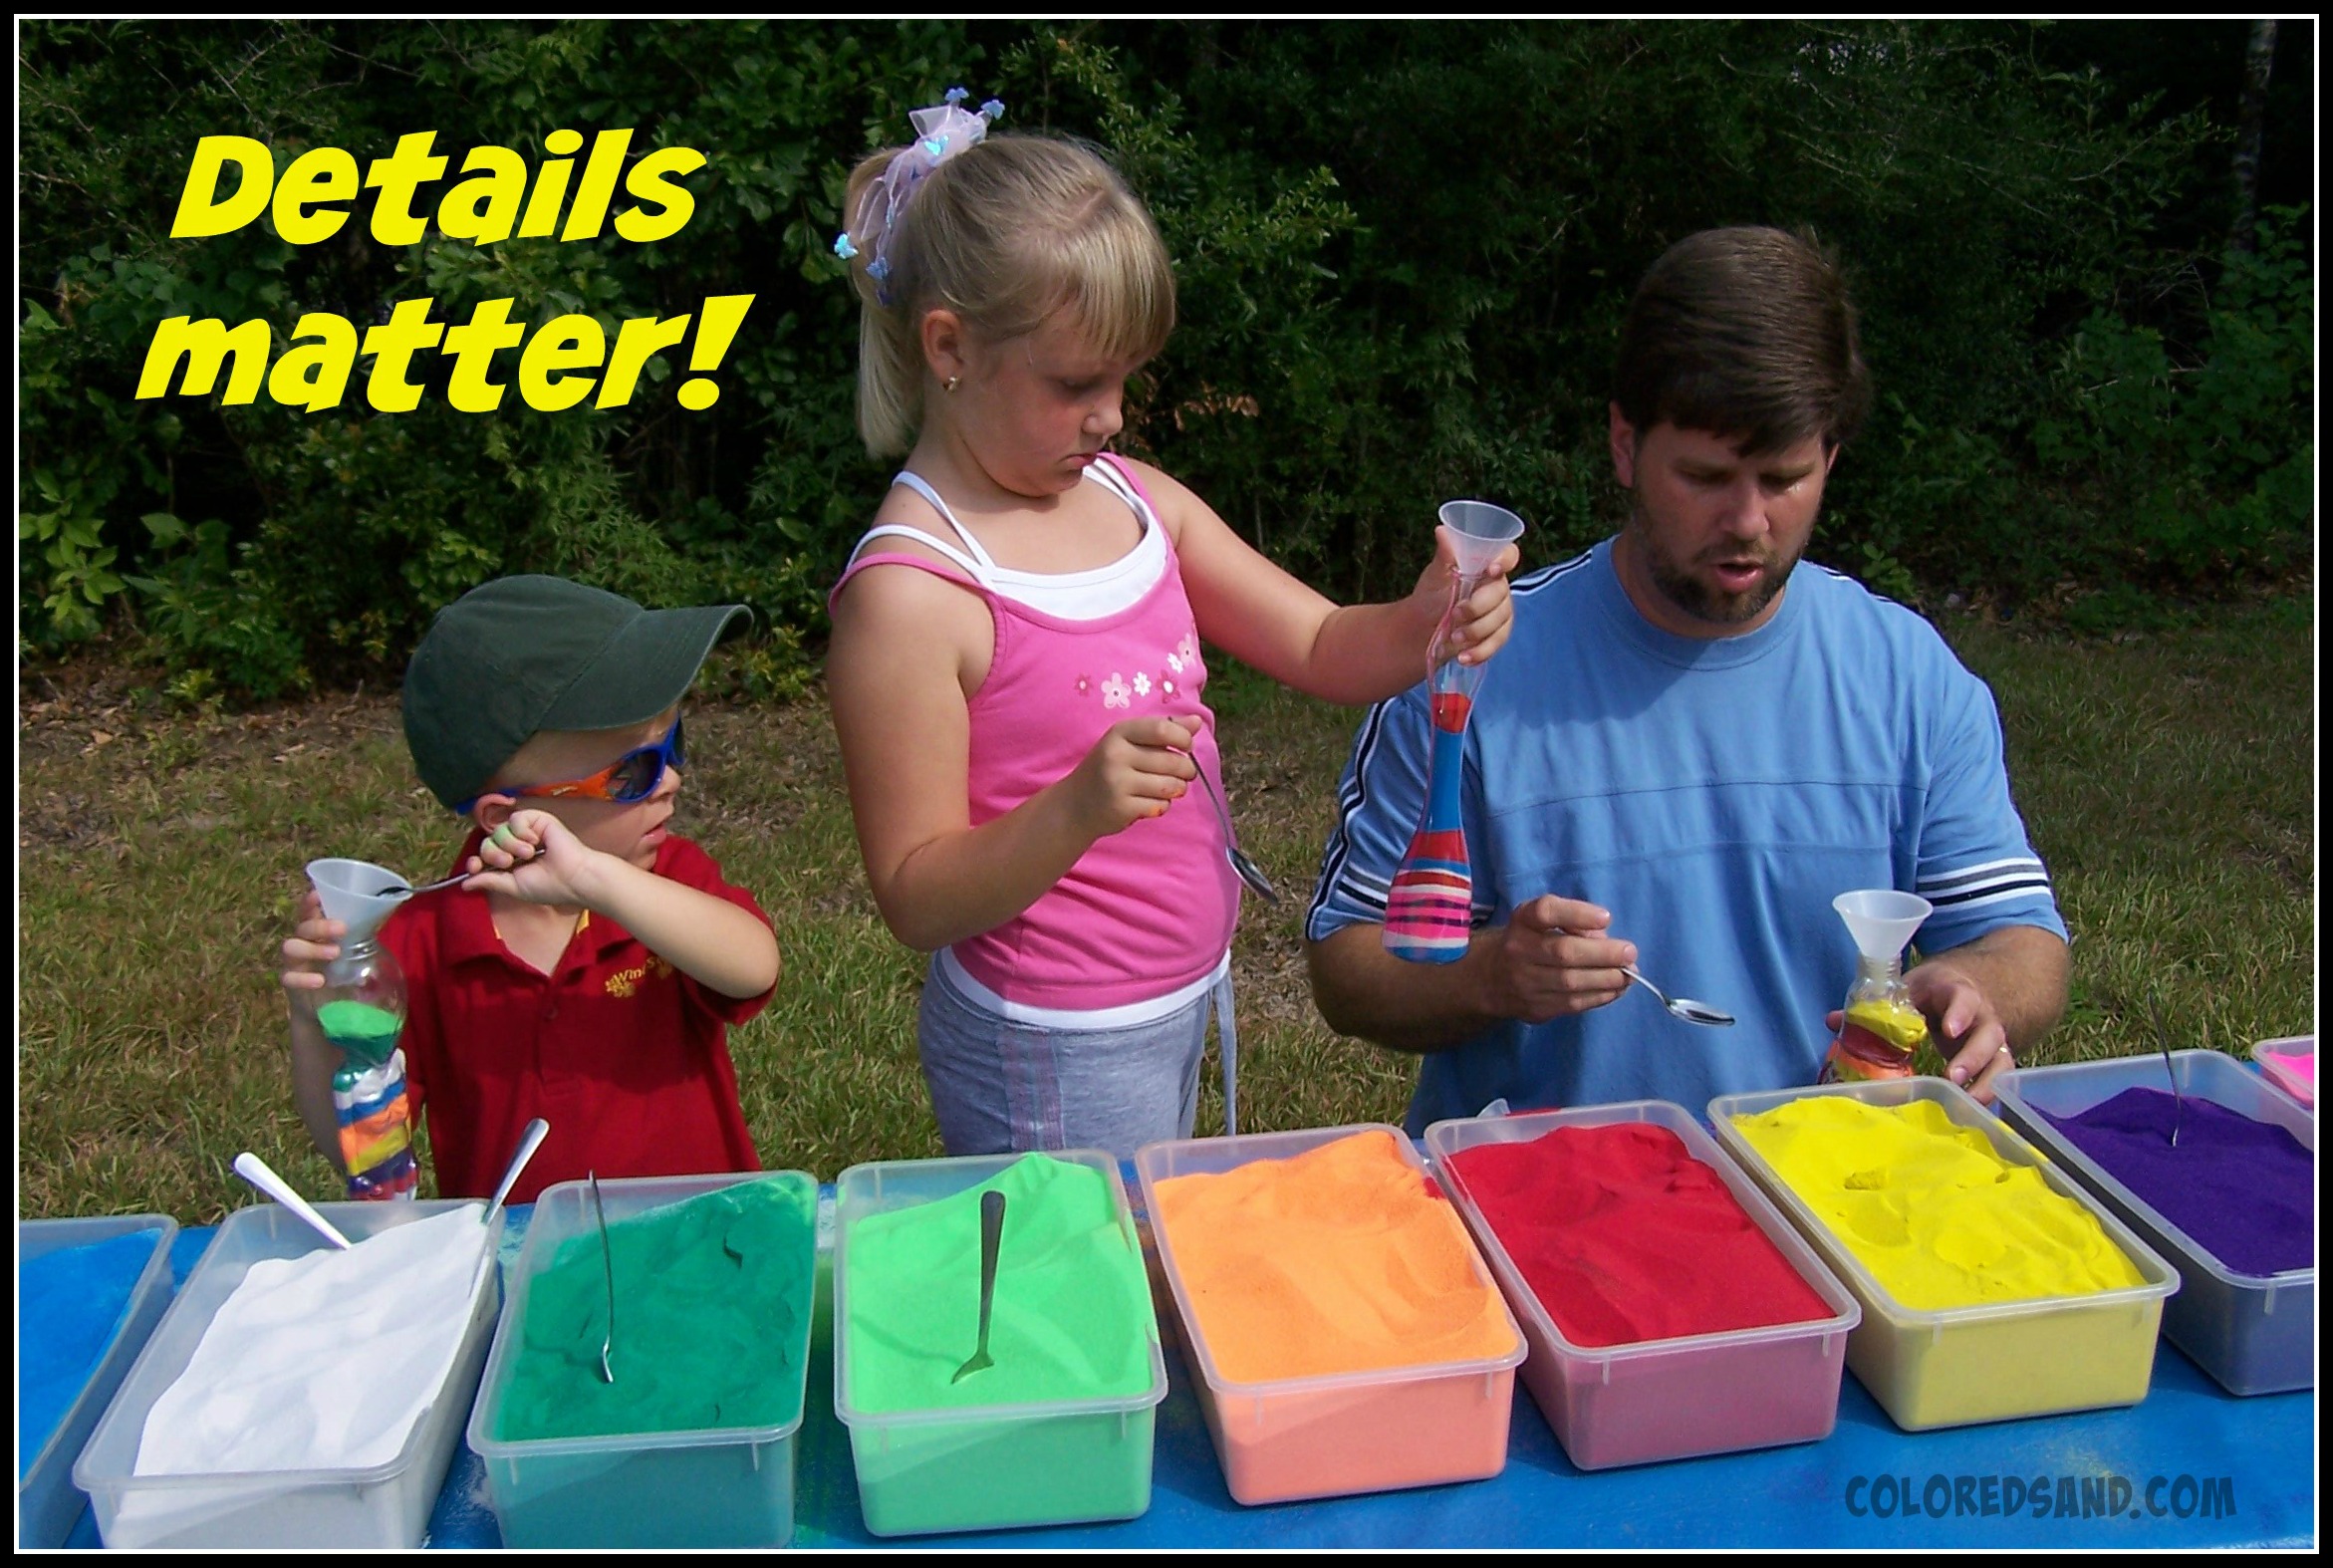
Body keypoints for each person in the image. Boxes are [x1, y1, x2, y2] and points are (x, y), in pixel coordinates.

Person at [824, 92, 1517, 1159]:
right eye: (1075, 383)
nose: (1108, 414)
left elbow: (1324, 644)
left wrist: (1430, 617)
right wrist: (1075, 807)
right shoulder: (915, 591)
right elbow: (916, 893)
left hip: (1175, 992)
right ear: (948, 346)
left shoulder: (1138, 500)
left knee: (1147, 1251)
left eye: (1123, 379)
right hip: (1047, 1036)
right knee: (1079, 1297)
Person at [1304, 226, 2069, 1132]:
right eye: (1705, 477)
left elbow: (2026, 941)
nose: (1747, 521)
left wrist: (1975, 985)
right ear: (1625, 445)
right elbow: (1347, 963)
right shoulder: (1471, 667)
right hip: (1548, 1210)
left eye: (1784, 477)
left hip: (1830, 1191)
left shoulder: (1906, 678)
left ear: (1831, 456)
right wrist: (1490, 976)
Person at [278, 575, 783, 1203]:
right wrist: (313, 1022)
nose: (672, 780)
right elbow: (369, 1150)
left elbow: (753, 967)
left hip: (701, 1234)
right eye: (631, 772)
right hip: (525, 1263)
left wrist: (597, 880)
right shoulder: (422, 943)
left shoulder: (664, 885)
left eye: (672, 743)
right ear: (502, 816)